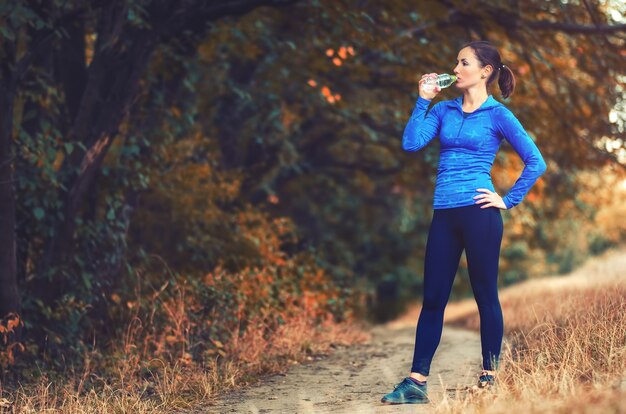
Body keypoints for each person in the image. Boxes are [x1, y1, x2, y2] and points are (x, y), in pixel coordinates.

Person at [381, 40, 547, 405]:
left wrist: (506, 199)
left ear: (485, 71)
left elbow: (536, 161)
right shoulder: (444, 110)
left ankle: (490, 376)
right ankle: (415, 383)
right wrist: (423, 99)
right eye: (456, 62)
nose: (455, 69)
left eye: (463, 63)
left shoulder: (498, 115)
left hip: (480, 214)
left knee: (485, 295)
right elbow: (411, 144)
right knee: (433, 298)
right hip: (444, 213)